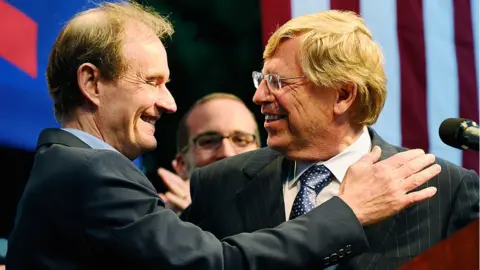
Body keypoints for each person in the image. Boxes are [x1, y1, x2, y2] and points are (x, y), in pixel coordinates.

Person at [6, 2, 440, 269]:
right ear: (92, 83)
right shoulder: (92, 172)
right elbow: (218, 263)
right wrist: (347, 211)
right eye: (153, 82)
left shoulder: (69, 166)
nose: (170, 103)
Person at [181, 10, 479, 269]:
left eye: (277, 82)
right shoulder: (218, 184)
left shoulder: (445, 190)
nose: (259, 96)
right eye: (262, 79)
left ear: (343, 95)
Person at [158, 93, 261, 212]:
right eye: (208, 141)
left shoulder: (285, 216)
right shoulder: (156, 223)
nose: (227, 153)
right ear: (182, 165)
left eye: (240, 140)